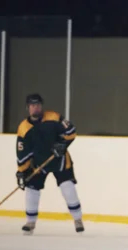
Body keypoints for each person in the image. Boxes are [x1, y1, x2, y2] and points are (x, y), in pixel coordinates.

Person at [16, 93, 84, 234]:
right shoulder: (24, 128)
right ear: (27, 108)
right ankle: (30, 222)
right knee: (32, 189)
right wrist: (22, 170)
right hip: (38, 163)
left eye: (38, 105)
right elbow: (23, 153)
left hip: (59, 160)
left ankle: (77, 219)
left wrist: (62, 144)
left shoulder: (54, 117)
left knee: (68, 187)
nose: (36, 108)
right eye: (33, 105)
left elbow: (71, 132)